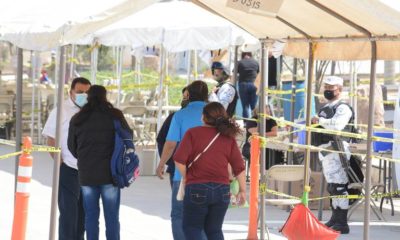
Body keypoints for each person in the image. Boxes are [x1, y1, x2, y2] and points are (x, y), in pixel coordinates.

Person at [174, 102, 246, 240]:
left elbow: (179, 159)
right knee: (214, 230)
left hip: (197, 187)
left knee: (192, 228)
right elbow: (239, 167)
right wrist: (243, 190)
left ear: (204, 117)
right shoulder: (228, 138)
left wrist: (187, 176)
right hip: (222, 190)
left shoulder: (192, 133)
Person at [68, 85, 130, 240]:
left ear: (88, 97)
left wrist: (84, 158)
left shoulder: (78, 118)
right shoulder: (115, 115)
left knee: (90, 216)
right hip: (111, 174)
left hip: (87, 174)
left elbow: (71, 146)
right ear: (105, 96)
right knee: (112, 217)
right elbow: (128, 136)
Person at [156, 80, 209, 240]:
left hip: (183, 175)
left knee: (179, 215)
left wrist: (161, 164)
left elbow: (170, 144)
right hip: (211, 175)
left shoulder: (180, 115)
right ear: (207, 95)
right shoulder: (216, 114)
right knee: (205, 217)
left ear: (188, 95)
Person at [42, 77, 91, 240]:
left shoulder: (92, 110)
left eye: (86, 92)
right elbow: (50, 139)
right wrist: (60, 163)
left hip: (88, 171)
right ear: (71, 92)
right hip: (68, 169)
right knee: (68, 215)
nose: (83, 95)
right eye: (79, 92)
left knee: (84, 215)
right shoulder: (61, 110)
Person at [311, 76, 353, 234]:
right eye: (326, 87)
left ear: (339, 90)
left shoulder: (343, 108)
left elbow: (337, 126)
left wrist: (320, 120)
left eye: (331, 87)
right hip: (326, 151)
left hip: (337, 149)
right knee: (332, 187)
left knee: (339, 186)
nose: (327, 90)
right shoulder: (325, 107)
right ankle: (335, 218)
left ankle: (342, 222)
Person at [156, 87, 189, 187]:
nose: (184, 99)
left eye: (186, 97)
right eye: (184, 97)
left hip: (178, 169)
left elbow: (166, 142)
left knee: (179, 200)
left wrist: (164, 163)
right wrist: (167, 161)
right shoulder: (210, 117)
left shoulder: (176, 117)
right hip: (179, 168)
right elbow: (163, 140)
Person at [243, 105, 284, 169]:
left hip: (269, 145)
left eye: (269, 111)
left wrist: (263, 134)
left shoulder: (271, 120)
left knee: (277, 153)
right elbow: (254, 132)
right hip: (251, 145)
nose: (268, 113)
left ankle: (272, 172)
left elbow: (274, 133)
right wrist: (262, 121)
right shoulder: (252, 120)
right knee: (257, 153)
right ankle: (258, 173)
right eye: (266, 112)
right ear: (259, 112)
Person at [237, 52, 259, 119]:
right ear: (250, 55)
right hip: (254, 84)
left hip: (243, 84)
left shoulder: (240, 62)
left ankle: (246, 123)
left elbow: (235, 72)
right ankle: (256, 122)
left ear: (242, 55)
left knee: (245, 106)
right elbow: (258, 73)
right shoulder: (255, 62)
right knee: (254, 106)